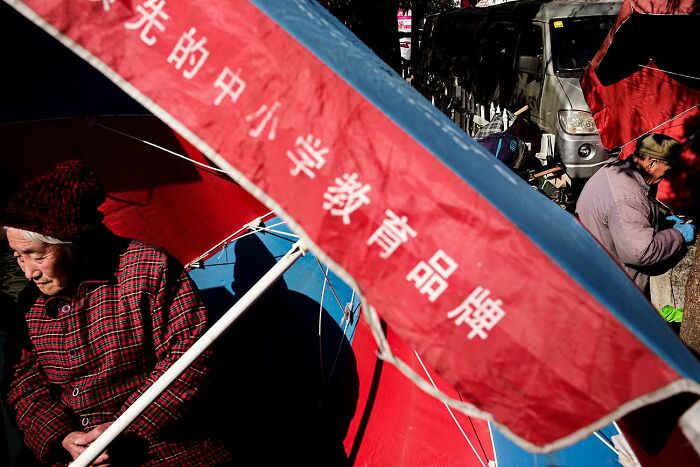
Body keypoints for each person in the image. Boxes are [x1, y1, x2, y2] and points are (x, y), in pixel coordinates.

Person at [1, 160, 231, 465]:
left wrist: (126, 429)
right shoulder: (30, 304)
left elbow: (192, 358)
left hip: (161, 449)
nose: (29, 272)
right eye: (18, 257)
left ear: (74, 245)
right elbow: (24, 384)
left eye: (37, 255)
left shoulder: (146, 268)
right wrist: (62, 437)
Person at [576, 133, 697, 295]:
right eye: (667, 171)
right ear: (652, 163)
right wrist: (678, 235)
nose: (667, 177)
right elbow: (641, 253)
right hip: (614, 288)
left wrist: (661, 220)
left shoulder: (614, 169)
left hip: (594, 268)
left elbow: (625, 221)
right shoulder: (627, 199)